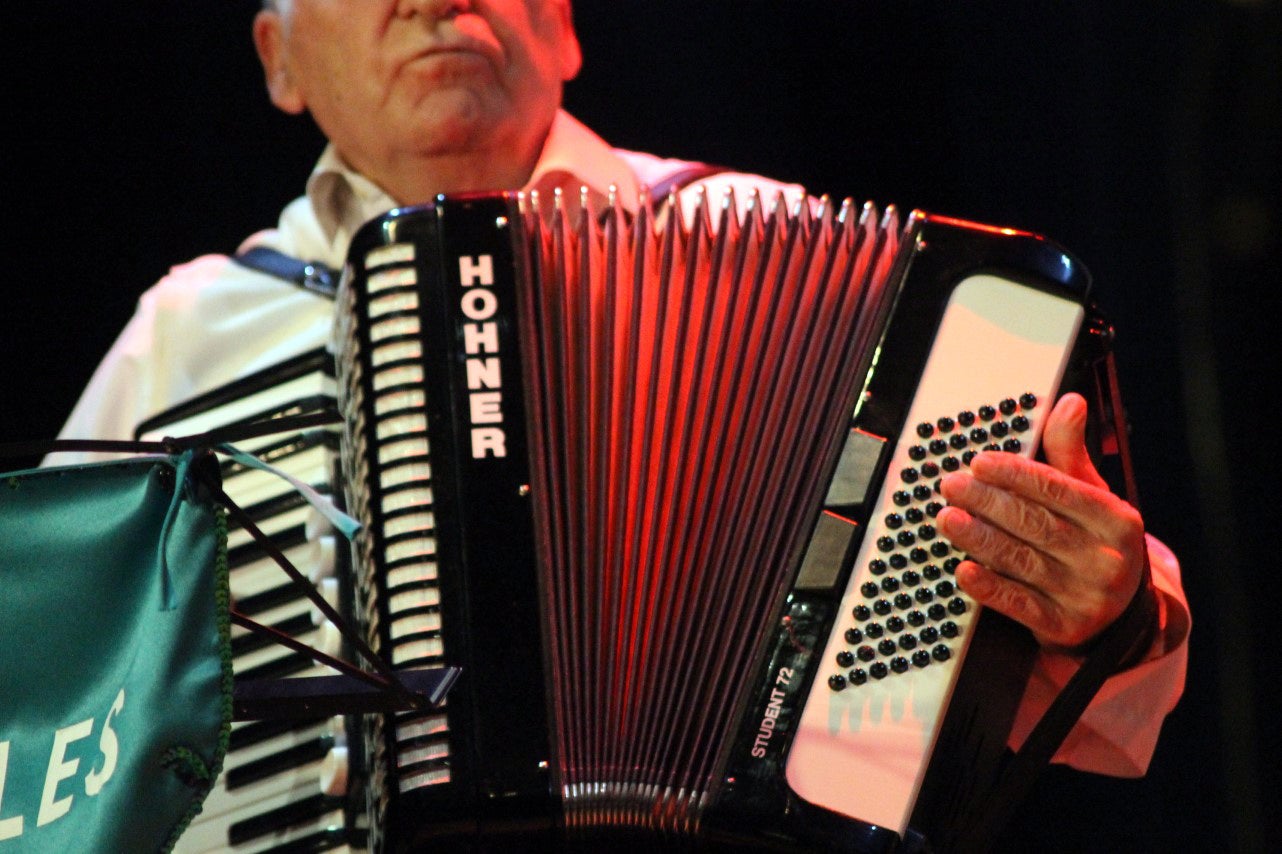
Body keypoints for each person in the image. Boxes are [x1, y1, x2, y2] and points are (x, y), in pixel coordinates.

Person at [53, 0, 1188, 831]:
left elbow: (1100, 651)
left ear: (562, 28)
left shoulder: (780, 252)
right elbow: (49, 689)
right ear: (278, 60)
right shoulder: (187, 336)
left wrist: (1103, 607)